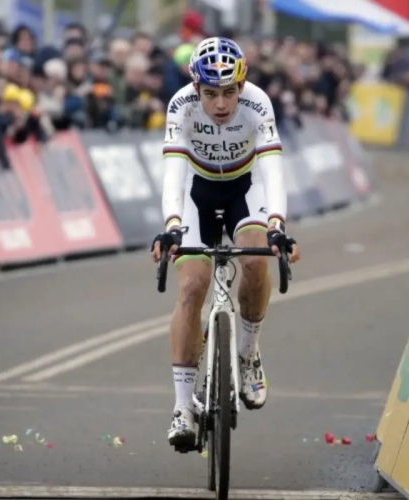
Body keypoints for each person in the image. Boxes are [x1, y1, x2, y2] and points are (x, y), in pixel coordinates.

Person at [150, 37, 300, 450]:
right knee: (192, 287)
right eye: (211, 94)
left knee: (255, 262)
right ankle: (183, 407)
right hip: (197, 194)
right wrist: (173, 225)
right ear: (196, 88)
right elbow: (174, 172)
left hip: (244, 189)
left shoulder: (257, 104)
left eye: (229, 92)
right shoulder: (181, 105)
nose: (220, 104)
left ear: (242, 85)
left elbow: (271, 168)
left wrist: (277, 224)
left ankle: (248, 353)